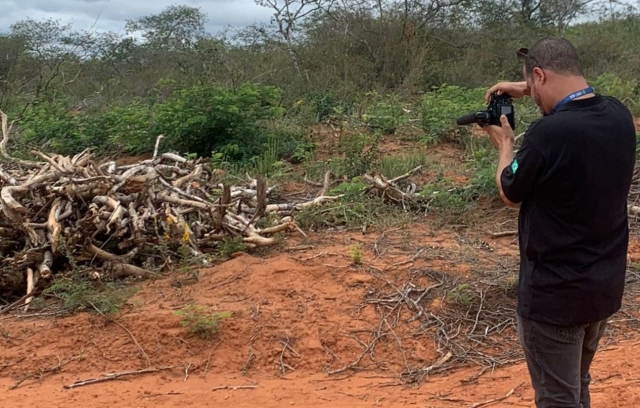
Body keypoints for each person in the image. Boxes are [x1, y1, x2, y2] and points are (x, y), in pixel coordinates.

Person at [481, 37, 637, 408]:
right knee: (576, 387)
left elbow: (509, 190)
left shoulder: (547, 135)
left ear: (540, 75)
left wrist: (505, 145)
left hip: (554, 299)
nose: (532, 96)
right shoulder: (619, 115)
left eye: (533, 86)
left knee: (557, 398)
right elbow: (581, 102)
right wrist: (529, 86)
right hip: (601, 289)